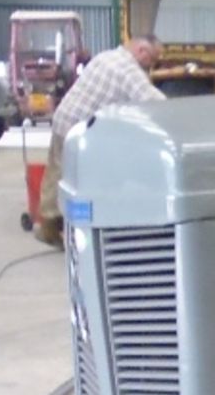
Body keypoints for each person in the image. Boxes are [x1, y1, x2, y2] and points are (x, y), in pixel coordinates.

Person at [34, 35, 164, 246]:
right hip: (80, 131)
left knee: (56, 173)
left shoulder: (106, 56)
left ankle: (48, 225)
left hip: (63, 118)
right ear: (142, 51)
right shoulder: (129, 71)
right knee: (87, 181)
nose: (153, 66)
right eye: (153, 60)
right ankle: (78, 227)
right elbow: (154, 103)